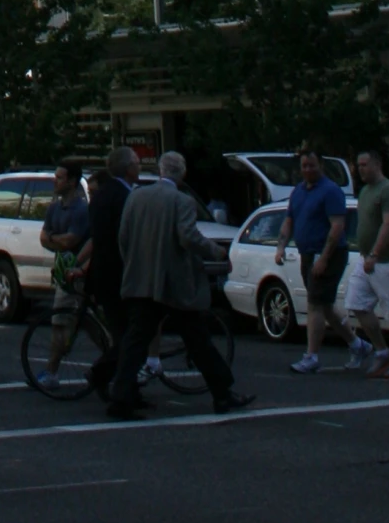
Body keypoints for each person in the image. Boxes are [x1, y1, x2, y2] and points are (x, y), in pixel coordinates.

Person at [108, 152, 253, 420]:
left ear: (161, 171)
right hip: (172, 283)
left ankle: (120, 394)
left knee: (135, 340)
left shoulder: (136, 197)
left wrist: (134, 264)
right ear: (182, 174)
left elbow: (123, 237)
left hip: (141, 280)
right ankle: (222, 393)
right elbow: (188, 237)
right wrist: (215, 252)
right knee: (198, 339)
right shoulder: (182, 202)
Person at [275, 147, 350, 373]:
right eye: (304, 166)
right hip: (306, 254)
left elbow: (337, 227)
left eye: (312, 165)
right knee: (324, 305)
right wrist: (280, 247)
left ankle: (311, 356)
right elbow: (289, 221)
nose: (308, 170)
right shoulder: (297, 192)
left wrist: (324, 259)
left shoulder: (331, 191)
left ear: (321, 166)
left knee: (315, 303)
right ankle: (358, 344)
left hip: (328, 254)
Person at [346, 149, 389, 377]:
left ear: (377, 164)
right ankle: (382, 351)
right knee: (356, 302)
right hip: (367, 259)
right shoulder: (365, 191)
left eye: (365, 164)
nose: (361, 169)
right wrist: (368, 255)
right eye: (359, 165)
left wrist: (375, 253)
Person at [78, 145, 139, 397]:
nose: (138, 166)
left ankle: (128, 388)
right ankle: (102, 374)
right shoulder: (124, 198)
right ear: (128, 169)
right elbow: (123, 239)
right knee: (130, 336)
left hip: (104, 273)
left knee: (126, 334)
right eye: (136, 162)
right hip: (119, 275)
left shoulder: (101, 196)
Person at [36, 158, 91, 384]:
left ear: (72, 181)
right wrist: (55, 240)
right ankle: (52, 371)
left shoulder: (81, 209)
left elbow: (71, 240)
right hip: (62, 274)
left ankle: (52, 371)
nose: (54, 181)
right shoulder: (54, 207)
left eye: (59, 177)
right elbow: (43, 238)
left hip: (78, 273)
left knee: (72, 320)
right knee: (64, 321)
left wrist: (53, 239)